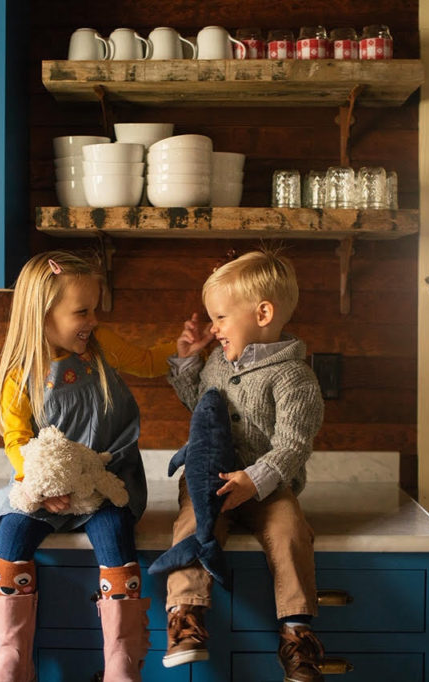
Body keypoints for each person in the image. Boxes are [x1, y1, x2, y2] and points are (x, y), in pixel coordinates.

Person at [0, 251, 176, 682]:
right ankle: (12, 655)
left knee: (116, 534)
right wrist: (40, 486)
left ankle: (121, 659)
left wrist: (181, 350)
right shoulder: (21, 375)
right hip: (46, 486)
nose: (94, 320)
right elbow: (17, 441)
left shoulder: (100, 350)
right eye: (82, 311)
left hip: (105, 485)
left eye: (95, 308)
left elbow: (145, 360)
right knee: (13, 532)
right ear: (43, 315)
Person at [163, 249, 327, 682]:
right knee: (194, 524)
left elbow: (293, 444)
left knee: (291, 530)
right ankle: (186, 617)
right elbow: (200, 408)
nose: (213, 328)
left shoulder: (294, 377)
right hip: (207, 477)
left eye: (220, 318)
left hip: (266, 486)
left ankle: (297, 634)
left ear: (263, 313)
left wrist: (254, 482)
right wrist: (187, 361)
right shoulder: (218, 360)